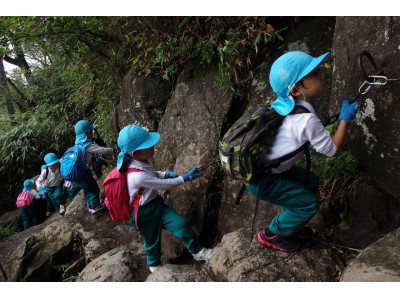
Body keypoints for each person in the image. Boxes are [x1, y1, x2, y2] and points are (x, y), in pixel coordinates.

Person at [246, 51, 360, 252]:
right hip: (264, 179)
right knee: (308, 204)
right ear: (297, 90)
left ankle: (291, 224)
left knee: (310, 182)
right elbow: (332, 150)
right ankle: (272, 233)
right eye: (314, 74)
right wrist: (345, 119)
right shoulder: (306, 119)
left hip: (265, 171)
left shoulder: (283, 107)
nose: (321, 75)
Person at [117, 124, 213, 272]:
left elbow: (153, 173)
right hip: (143, 213)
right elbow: (164, 185)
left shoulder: (142, 160)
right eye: (149, 146)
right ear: (135, 153)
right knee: (152, 242)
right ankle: (154, 267)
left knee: (181, 225)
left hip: (157, 205)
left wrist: (165, 173)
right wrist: (184, 178)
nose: (153, 147)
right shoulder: (135, 176)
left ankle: (198, 251)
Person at [74, 119, 114, 214]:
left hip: (76, 173)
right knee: (94, 188)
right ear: (87, 133)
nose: (93, 133)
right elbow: (104, 151)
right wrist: (116, 149)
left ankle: (90, 205)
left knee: (87, 189)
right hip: (83, 172)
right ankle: (95, 206)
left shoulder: (77, 144)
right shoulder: (88, 145)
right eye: (91, 131)